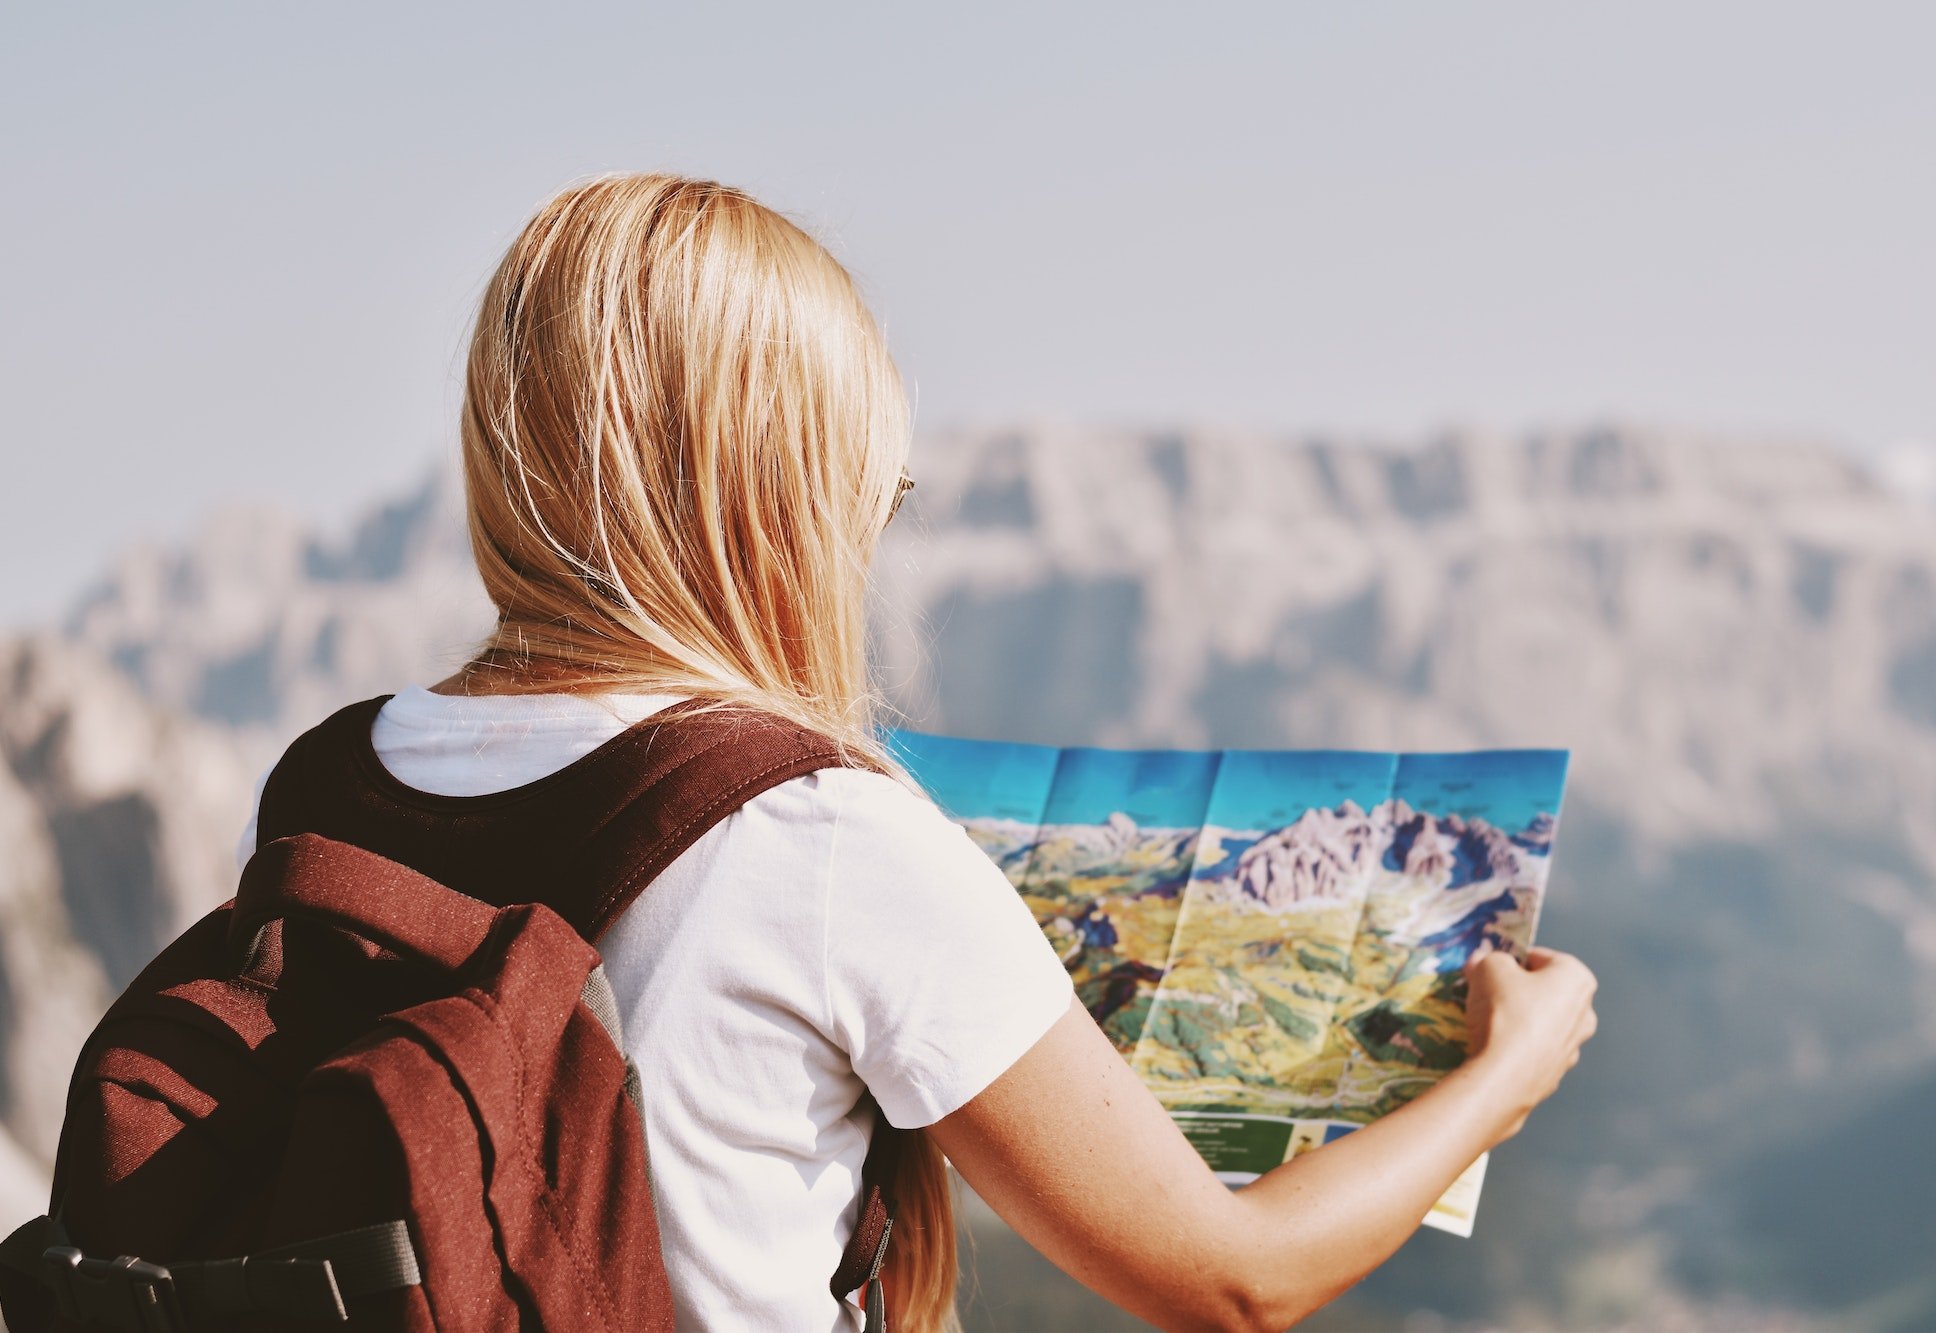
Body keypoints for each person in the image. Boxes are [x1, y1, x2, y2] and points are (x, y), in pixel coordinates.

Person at [238, 173, 1598, 1332]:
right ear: (775, 496)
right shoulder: (811, 834)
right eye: (863, 498)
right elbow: (1236, 1280)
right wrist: (1504, 1075)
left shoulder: (329, 781)